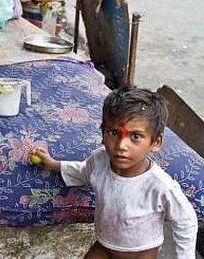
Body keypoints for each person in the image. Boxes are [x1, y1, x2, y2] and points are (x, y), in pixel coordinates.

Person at [31, 87, 198, 258]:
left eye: (135, 136)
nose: (121, 145)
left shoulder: (160, 185)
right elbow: (83, 171)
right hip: (106, 245)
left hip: (141, 253)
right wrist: (53, 164)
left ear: (155, 142)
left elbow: (186, 220)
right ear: (102, 132)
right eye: (114, 133)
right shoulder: (99, 160)